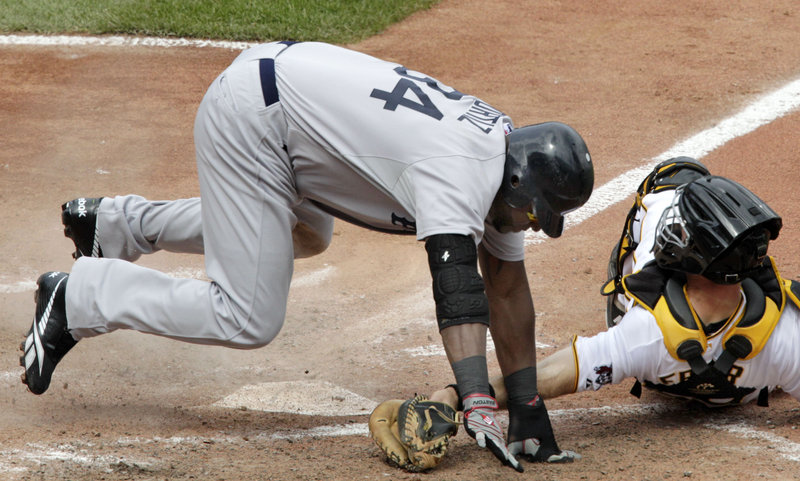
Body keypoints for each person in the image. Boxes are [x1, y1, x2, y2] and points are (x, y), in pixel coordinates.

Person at [19, 41, 594, 472]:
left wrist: (526, 404)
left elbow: (508, 287)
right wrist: (475, 400)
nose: (526, 225)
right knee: (246, 315)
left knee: (303, 233)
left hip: (290, 110)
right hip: (254, 119)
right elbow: (459, 288)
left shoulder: (503, 164)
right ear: (520, 181)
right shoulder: (461, 172)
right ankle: (80, 297)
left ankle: (115, 225)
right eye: (531, 214)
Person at [424, 169, 800, 445]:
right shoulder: (785, 336)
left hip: (660, 338)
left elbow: (557, 372)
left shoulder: (646, 334)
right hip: (752, 364)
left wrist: (459, 394)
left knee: (668, 180)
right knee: (676, 180)